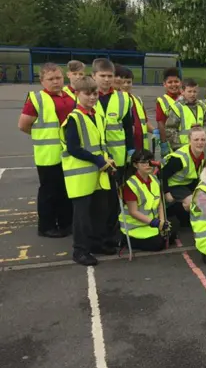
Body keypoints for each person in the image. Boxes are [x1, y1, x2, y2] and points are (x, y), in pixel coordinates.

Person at [60, 76, 115, 266]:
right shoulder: (74, 118)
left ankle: (97, 244)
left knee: (100, 212)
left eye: (95, 94)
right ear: (77, 94)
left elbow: (100, 144)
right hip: (81, 176)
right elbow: (74, 148)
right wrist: (98, 160)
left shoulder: (97, 116)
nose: (92, 98)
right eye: (87, 94)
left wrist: (107, 159)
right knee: (82, 216)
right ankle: (80, 250)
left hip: (99, 174)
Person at [18, 62, 76, 238]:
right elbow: (23, 125)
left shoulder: (70, 94)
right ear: (42, 81)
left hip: (69, 152)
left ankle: (66, 223)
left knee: (66, 190)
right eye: (50, 79)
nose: (56, 82)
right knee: (49, 192)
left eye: (58, 77)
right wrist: (41, 136)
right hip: (48, 154)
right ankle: (46, 226)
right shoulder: (36, 99)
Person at [120, 149, 174, 252]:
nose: (148, 165)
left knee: (171, 233)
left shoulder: (154, 179)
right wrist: (155, 222)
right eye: (143, 162)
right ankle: (125, 240)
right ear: (135, 165)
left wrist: (162, 222)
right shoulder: (130, 185)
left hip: (150, 224)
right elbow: (133, 212)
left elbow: (159, 203)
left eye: (150, 161)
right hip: (134, 227)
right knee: (157, 244)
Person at [92, 58, 134, 174]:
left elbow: (128, 127)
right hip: (95, 155)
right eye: (102, 75)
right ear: (94, 76)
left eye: (110, 76)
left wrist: (130, 149)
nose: (106, 79)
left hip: (118, 156)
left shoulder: (124, 98)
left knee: (117, 189)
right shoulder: (85, 97)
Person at [162, 127, 206, 228]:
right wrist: (166, 192)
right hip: (174, 185)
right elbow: (162, 175)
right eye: (196, 140)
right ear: (189, 141)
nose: (200, 143)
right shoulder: (179, 159)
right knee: (192, 202)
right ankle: (175, 215)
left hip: (188, 181)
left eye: (203, 139)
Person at [165, 78, 206, 152]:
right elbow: (170, 130)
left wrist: (204, 137)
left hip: (200, 147)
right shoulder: (177, 108)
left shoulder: (202, 107)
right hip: (182, 148)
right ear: (182, 92)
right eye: (189, 91)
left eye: (195, 91)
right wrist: (178, 146)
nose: (192, 94)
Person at [119, 66, 154, 153]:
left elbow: (144, 122)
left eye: (129, 82)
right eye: (123, 82)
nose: (126, 85)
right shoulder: (115, 101)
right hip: (125, 148)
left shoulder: (137, 99)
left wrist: (156, 131)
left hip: (141, 148)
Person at [156, 67, 183, 157]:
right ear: (164, 84)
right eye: (170, 82)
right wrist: (164, 143)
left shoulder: (187, 97)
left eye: (176, 81)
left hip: (187, 141)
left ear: (181, 83)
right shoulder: (162, 101)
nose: (173, 84)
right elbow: (161, 124)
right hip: (171, 143)